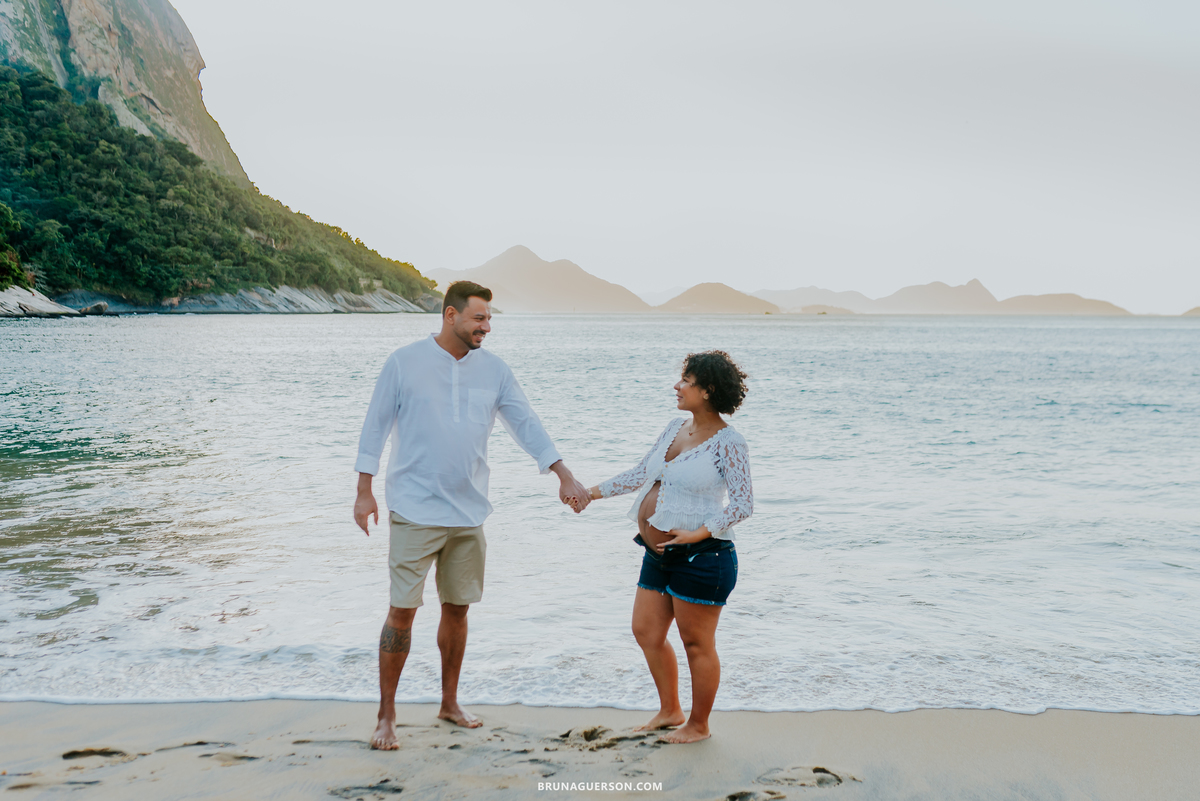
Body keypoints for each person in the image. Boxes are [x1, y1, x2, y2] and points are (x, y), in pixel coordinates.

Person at [353, 280, 590, 750]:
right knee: (402, 612)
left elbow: (526, 423)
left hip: (469, 512)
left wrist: (563, 473)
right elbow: (375, 426)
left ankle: (449, 702)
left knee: (458, 610)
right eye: (479, 318)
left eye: (489, 320)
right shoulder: (404, 362)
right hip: (414, 509)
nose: (486, 327)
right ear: (450, 315)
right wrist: (363, 490)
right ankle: (386, 716)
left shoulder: (495, 371)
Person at [585, 351, 752, 744]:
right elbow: (641, 473)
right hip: (657, 553)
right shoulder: (674, 428)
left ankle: (698, 725)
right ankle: (669, 710)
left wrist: (698, 533)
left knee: (697, 643)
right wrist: (589, 494)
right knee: (645, 630)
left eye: (686, 381)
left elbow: (743, 504)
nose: (677, 386)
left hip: (703, 557)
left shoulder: (730, 442)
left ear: (708, 390)